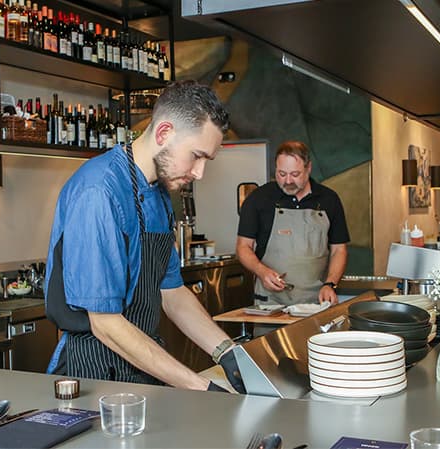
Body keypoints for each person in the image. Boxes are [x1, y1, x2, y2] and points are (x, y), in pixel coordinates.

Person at [44, 80, 244, 393]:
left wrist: (229, 353)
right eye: (196, 156)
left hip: (143, 366)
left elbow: (173, 293)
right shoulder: (99, 191)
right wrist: (200, 386)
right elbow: (105, 324)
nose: (200, 173)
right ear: (164, 133)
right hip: (94, 373)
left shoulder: (161, 193)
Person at [236, 140, 349, 306]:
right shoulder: (258, 199)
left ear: (308, 168)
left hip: (317, 302)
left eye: (295, 174)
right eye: (282, 174)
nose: (288, 181)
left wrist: (330, 284)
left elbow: (339, 250)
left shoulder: (329, 200)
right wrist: (262, 272)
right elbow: (242, 247)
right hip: (271, 303)